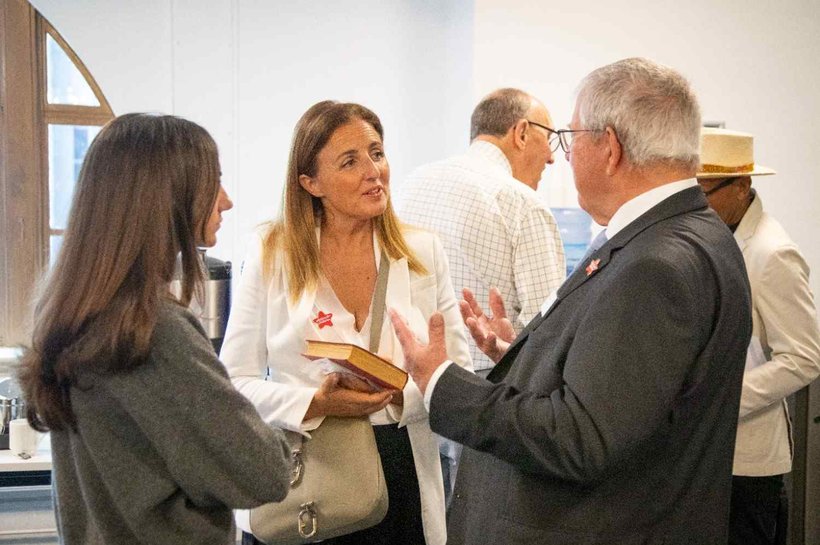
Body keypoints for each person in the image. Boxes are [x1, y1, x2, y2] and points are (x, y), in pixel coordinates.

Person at [389, 58, 753, 545]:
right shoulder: (688, 233)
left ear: (610, 148)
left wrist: (440, 381)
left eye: (570, 137)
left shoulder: (655, 265)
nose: (563, 156)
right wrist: (522, 356)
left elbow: (579, 438)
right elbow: (625, 391)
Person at [17, 113, 292, 545]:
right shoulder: (155, 332)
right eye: (214, 182)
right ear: (168, 197)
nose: (226, 201)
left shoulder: (73, 317)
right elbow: (263, 473)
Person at [220, 101, 472, 545]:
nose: (374, 172)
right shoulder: (272, 252)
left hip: (401, 476)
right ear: (310, 182)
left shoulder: (421, 252)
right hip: (306, 480)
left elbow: (458, 377)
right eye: (350, 161)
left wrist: (401, 391)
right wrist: (315, 403)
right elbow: (233, 384)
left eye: (377, 153)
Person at [696, 127, 820, 545]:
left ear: (742, 186)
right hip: (709, 452)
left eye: (704, 193)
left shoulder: (772, 252)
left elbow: (804, 357)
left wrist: (722, 400)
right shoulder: (721, 236)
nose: (696, 205)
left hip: (747, 461)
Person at [397, 88, 565, 377]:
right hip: (489, 383)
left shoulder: (410, 184)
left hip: (409, 379)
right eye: (549, 139)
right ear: (521, 133)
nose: (551, 158)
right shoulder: (523, 204)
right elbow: (549, 332)